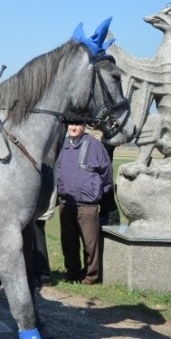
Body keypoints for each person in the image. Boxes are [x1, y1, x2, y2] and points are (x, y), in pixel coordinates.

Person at [56, 120, 113, 285]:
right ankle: (72, 273)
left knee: (90, 244)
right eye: (71, 124)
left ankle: (91, 276)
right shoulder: (62, 145)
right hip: (66, 203)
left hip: (87, 205)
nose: (73, 127)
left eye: (77, 124)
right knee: (68, 242)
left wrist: (97, 192)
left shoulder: (95, 146)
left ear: (84, 126)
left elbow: (106, 173)